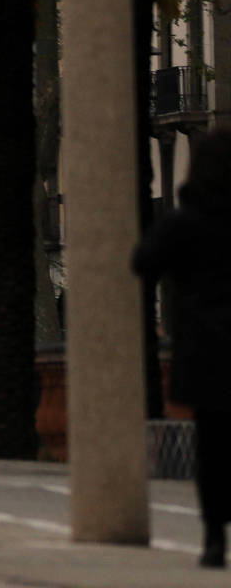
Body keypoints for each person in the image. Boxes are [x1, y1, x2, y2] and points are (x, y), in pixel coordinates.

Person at [137, 125, 231, 568]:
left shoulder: (185, 221)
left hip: (205, 349)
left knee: (211, 446)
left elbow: (143, 261)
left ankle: (214, 536)